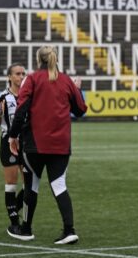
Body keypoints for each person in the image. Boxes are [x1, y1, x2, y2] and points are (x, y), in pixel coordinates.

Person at [7, 46, 87, 244]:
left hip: (35, 143)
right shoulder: (66, 80)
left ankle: (26, 229)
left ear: (37, 59)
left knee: (31, 184)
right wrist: (78, 89)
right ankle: (69, 229)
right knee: (59, 185)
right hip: (61, 144)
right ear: (55, 58)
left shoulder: (32, 79)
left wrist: (12, 136)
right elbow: (80, 110)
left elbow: (21, 109)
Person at [0, 63, 31, 237]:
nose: (21, 76)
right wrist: (0, 115)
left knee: (30, 183)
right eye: (17, 73)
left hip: (26, 143)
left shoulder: (29, 95)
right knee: (11, 183)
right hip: (7, 142)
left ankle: (13, 208)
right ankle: (14, 223)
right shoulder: (3, 96)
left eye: (23, 73)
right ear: (9, 77)